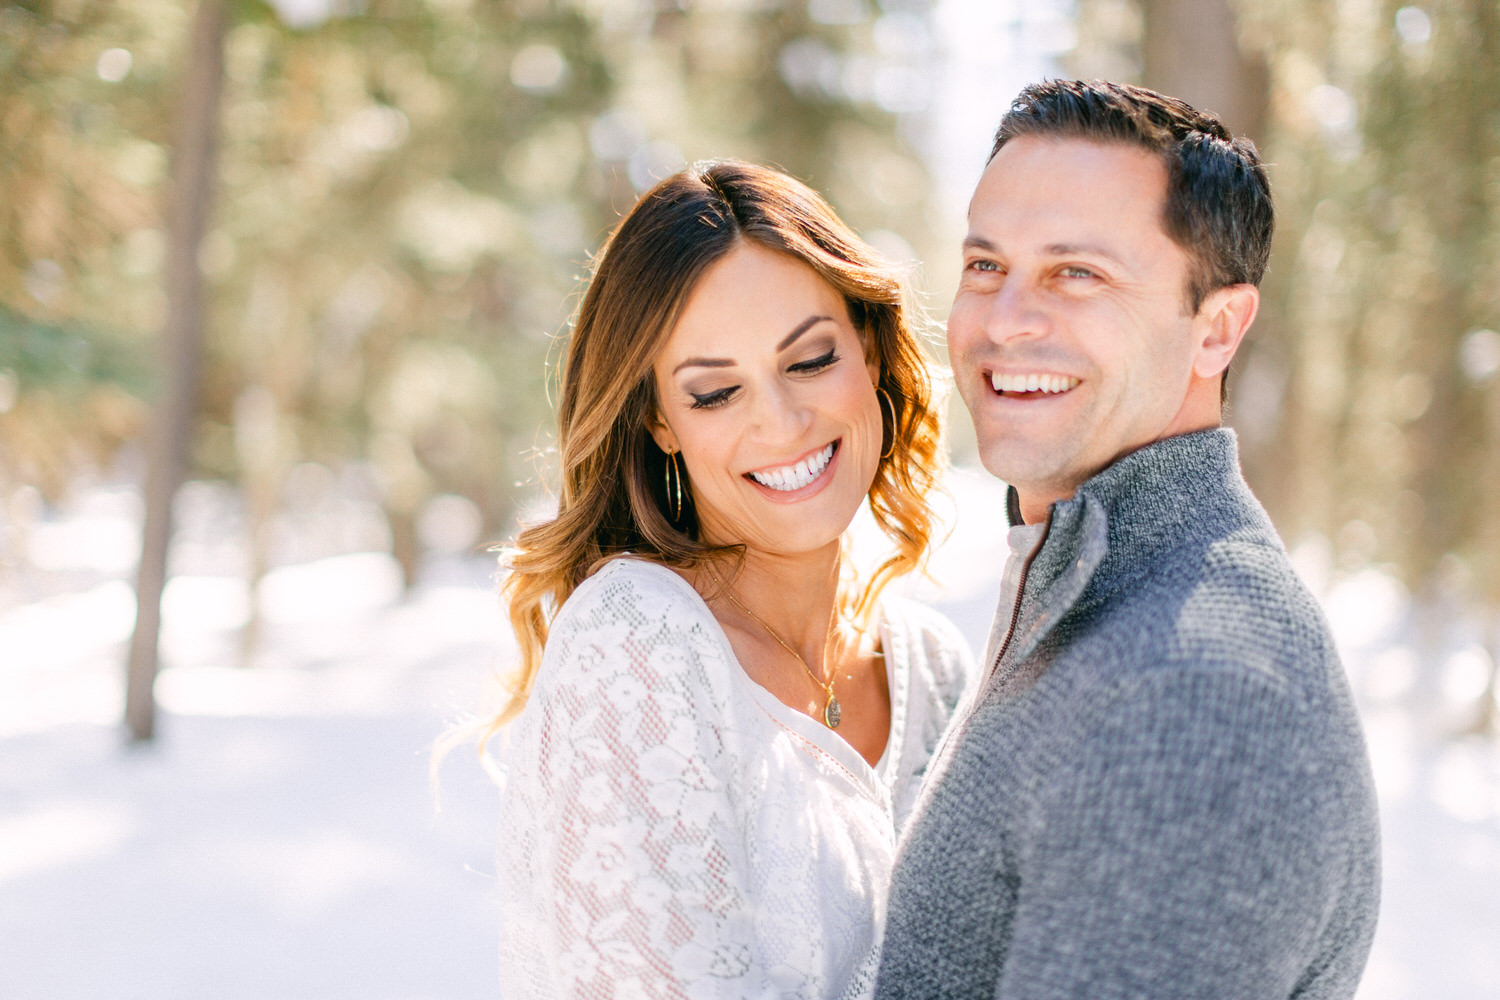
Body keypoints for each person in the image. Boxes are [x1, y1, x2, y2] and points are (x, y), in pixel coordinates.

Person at [875, 80, 1381, 999]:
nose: (1004, 320)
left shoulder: (1190, 692)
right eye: (986, 265)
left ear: (1217, 329)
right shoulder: (1093, 588)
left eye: (1078, 273)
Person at [490, 160, 976, 999]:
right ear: (660, 423)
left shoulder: (934, 670)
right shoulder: (635, 650)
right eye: (716, 393)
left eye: (811, 359)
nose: (780, 424)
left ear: (866, 348)